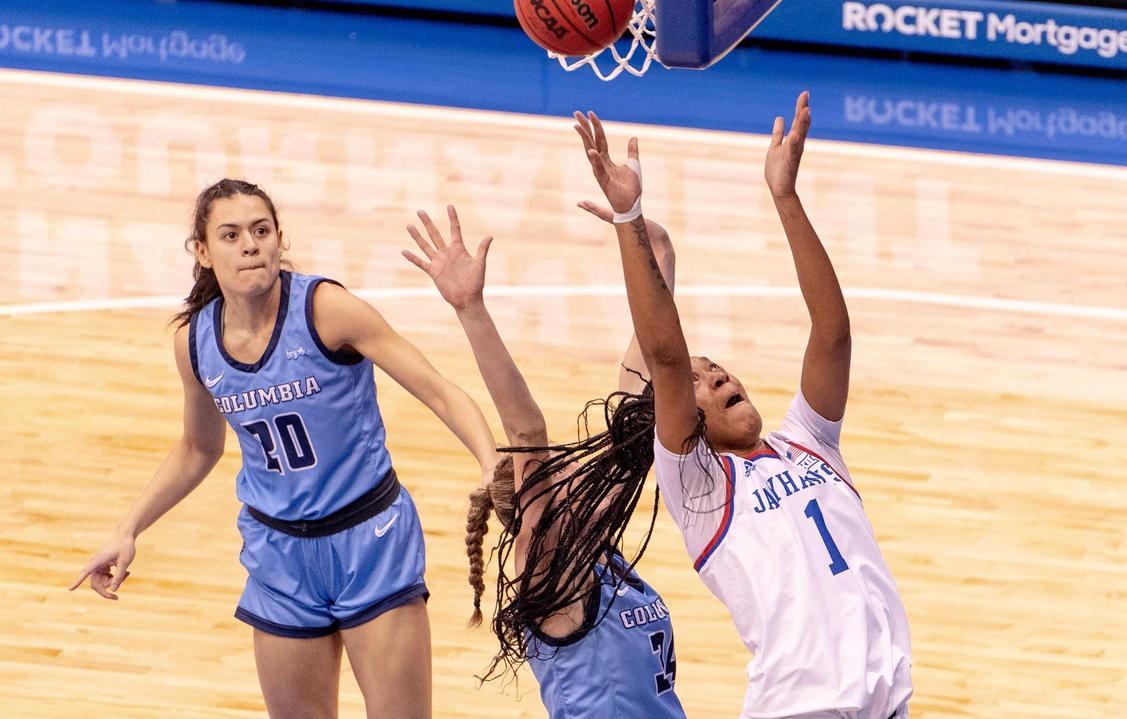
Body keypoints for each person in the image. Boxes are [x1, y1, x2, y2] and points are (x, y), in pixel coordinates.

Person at [70, 180, 500, 719]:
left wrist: (490, 462)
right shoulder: (195, 342)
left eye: (261, 230)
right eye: (231, 234)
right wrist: (127, 529)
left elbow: (437, 387)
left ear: (278, 239)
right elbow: (197, 449)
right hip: (279, 555)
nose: (250, 244)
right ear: (203, 252)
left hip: (369, 541)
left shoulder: (327, 309)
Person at [570, 93, 913, 719]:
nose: (716, 370)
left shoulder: (810, 443)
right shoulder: (700, 485)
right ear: (682, 416)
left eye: (717, 366)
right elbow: (667, 358)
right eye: (703, 379)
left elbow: (832, 332)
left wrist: (786, 197)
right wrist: (630, 217)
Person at [401, 205, 686, 718]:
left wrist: (654, 250)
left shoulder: (596, 552)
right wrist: (471, 308)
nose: (575, 465)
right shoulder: (550, 571)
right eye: (556, 469)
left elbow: (635, 404)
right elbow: (526, 431)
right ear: (540, 503)